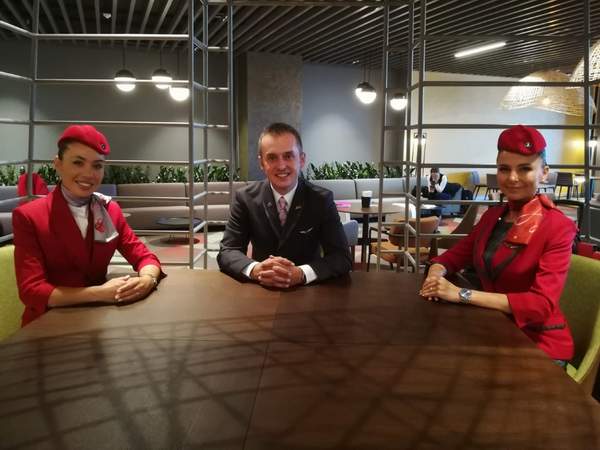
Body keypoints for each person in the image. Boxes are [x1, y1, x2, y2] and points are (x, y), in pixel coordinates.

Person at [419, 125, 577, 365]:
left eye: (524, 169)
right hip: (494, 329)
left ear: (544, 173)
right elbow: (452, 258)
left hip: (539, 345)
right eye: (504, 169)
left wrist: (461, 294)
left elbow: (540, 305)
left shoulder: (558, 226)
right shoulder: (492, 217)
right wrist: (435, 276)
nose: (512, 178)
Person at [12, 125, 164, 326]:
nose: (89, 174)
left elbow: (144, 257)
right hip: (47, 323)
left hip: (97, 320)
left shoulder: (110, 210)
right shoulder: (29, 216)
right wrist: (99, 293)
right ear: (58, 164)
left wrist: (147, 280)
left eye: (97, 166)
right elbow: (32, 291)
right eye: (78, 162)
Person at [217, 122, 352, 288]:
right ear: (262, 163)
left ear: (301, 159)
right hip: (261, 289)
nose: (281, 166)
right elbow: (228, 251)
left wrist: (301, 273)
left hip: (309, 291)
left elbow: (342, 257)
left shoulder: (321, 200)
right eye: (272, 158)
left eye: (288, 156)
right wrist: (256, 270)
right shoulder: (245, 198)